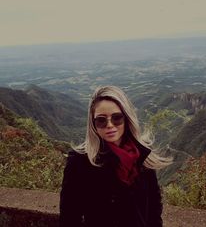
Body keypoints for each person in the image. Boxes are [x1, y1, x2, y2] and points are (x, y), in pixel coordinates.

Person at [59, 85, 172, 227]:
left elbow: (154, 207)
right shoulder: (80, 162)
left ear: (126, 118)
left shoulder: (141, 155)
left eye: (117, 118)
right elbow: (69, 216)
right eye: (101, 120)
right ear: (93, 124)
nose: (110, 125)